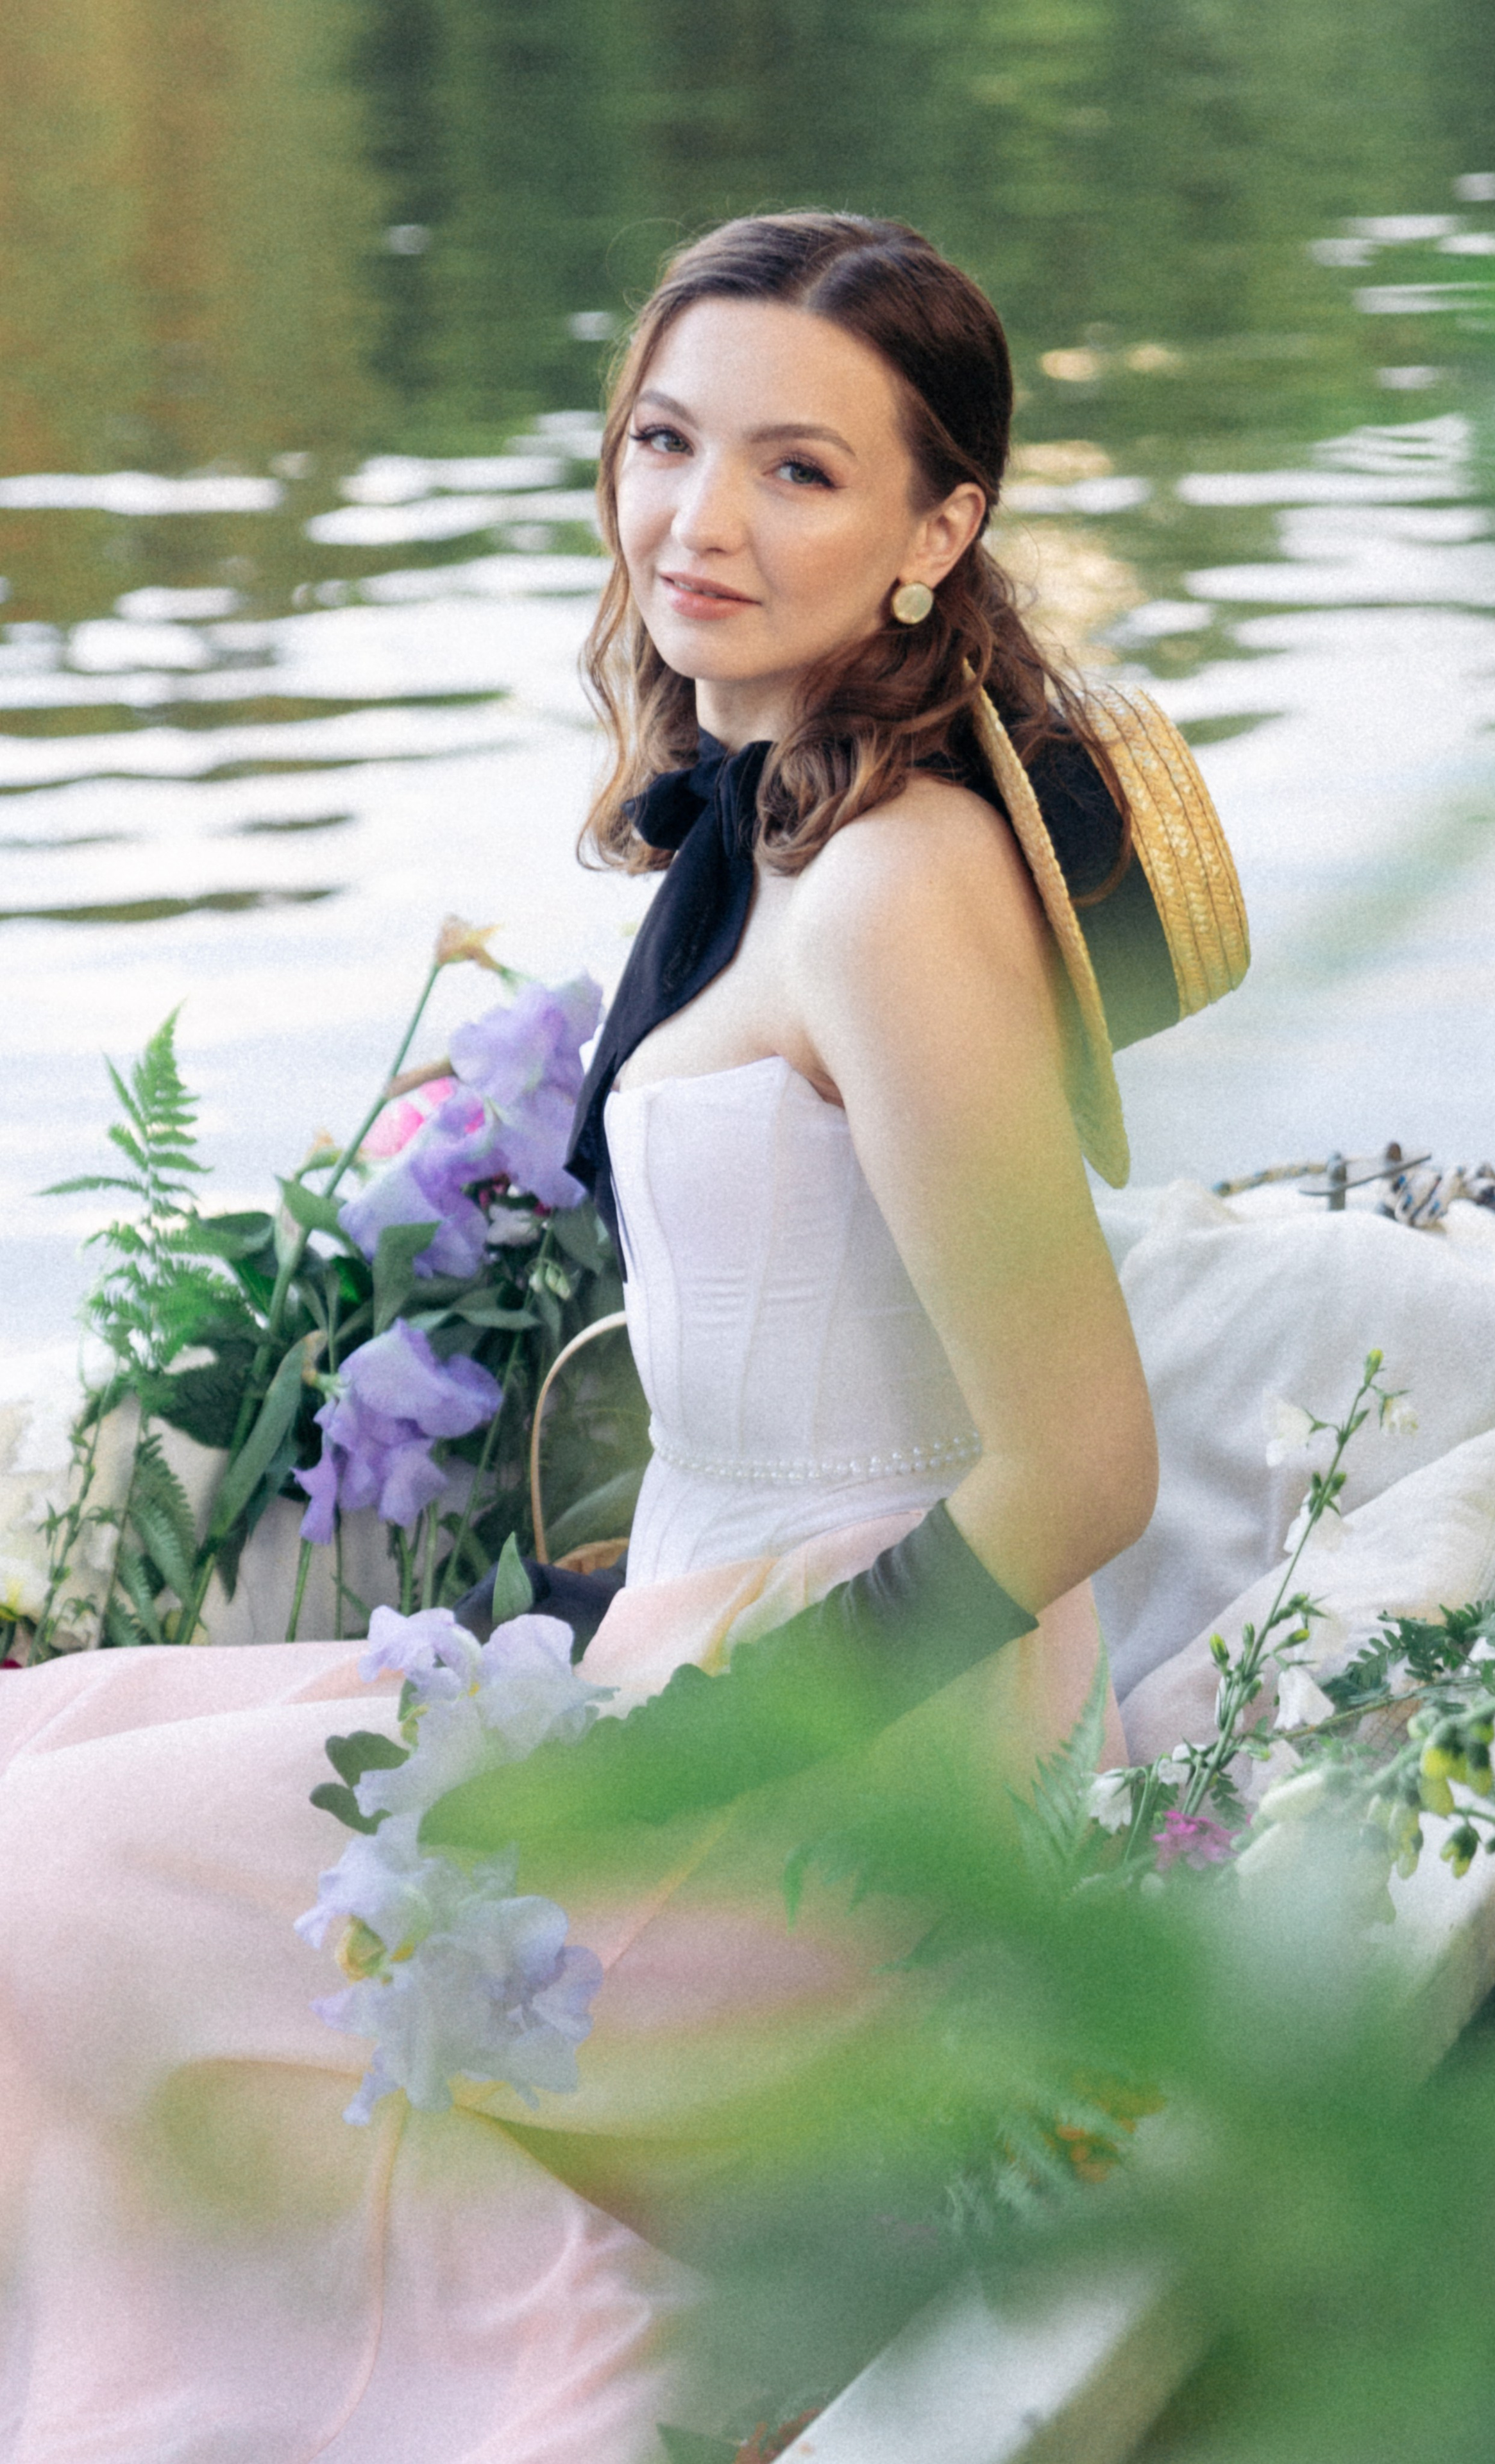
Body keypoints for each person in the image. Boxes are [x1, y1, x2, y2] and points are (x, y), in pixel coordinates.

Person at [0, 214, 1236, 2462]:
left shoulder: (889, 886)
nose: (697, 518)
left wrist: (692, 1748)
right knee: (49, 1719)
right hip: (693, 1636)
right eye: (669, 441)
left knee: (38, 1890)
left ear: (937, 530)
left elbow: (1084, 1469)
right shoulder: (776, 824)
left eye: (797, 469)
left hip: (843, 1770)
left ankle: (348, 2392)